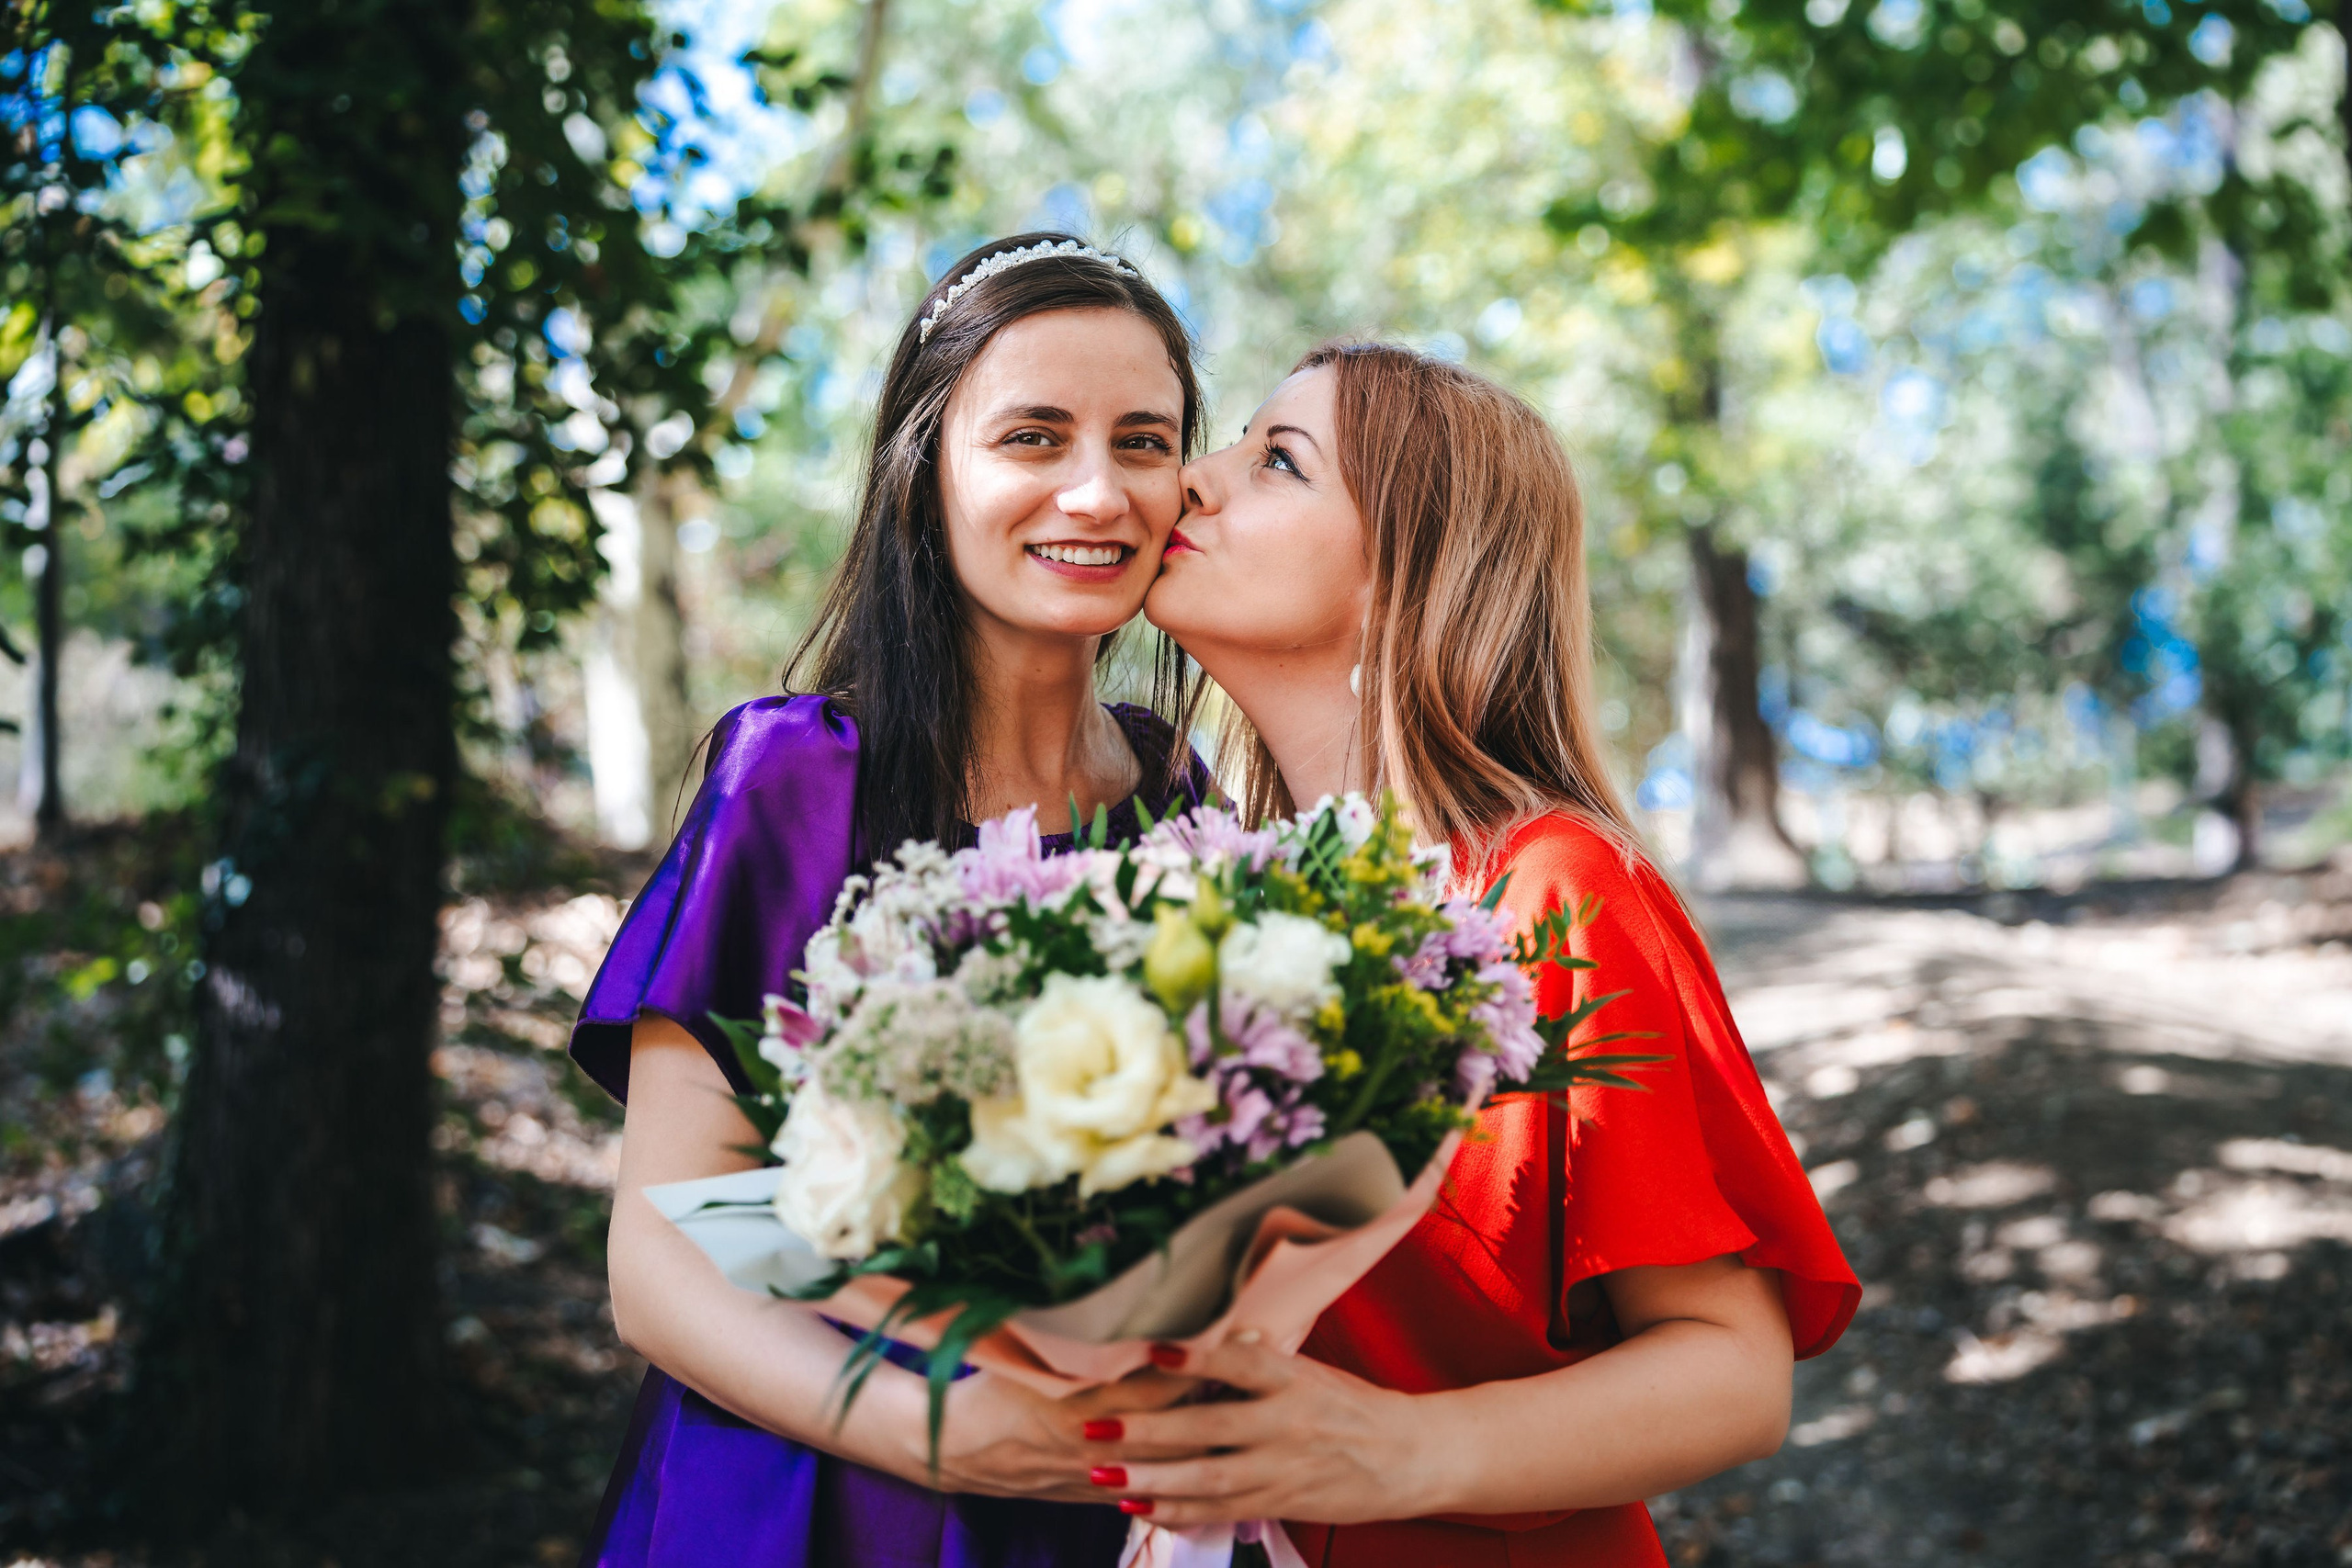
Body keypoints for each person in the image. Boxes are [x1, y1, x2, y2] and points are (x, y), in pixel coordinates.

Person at [1096, 342, 1861, 1566]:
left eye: (1277, 460)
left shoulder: (1556, 892)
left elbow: (1735, 1372)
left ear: (1413, 576)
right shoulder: (1197, 904)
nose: (1194, 480)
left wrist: (1392, 1452)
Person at [567, 234, 1215, 1568]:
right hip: (801, 1496)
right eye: (1033, 437)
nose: (1097, 492)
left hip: (1091, 1505)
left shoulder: (1174, 792)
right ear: (925, 474)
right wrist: (942, 1435)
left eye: (1143, 441)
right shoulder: (795, 774)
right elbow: (660, 1264)